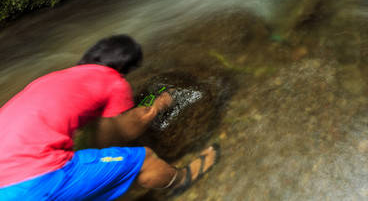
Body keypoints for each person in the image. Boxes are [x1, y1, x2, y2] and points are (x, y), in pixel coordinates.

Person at [0, 35, 218, 200]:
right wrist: (157, 106)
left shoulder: (53, 78)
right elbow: (123, 131)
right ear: (124, 66)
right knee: (144, 159)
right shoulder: (113, 81)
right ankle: (180, 180)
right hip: (31, 180)